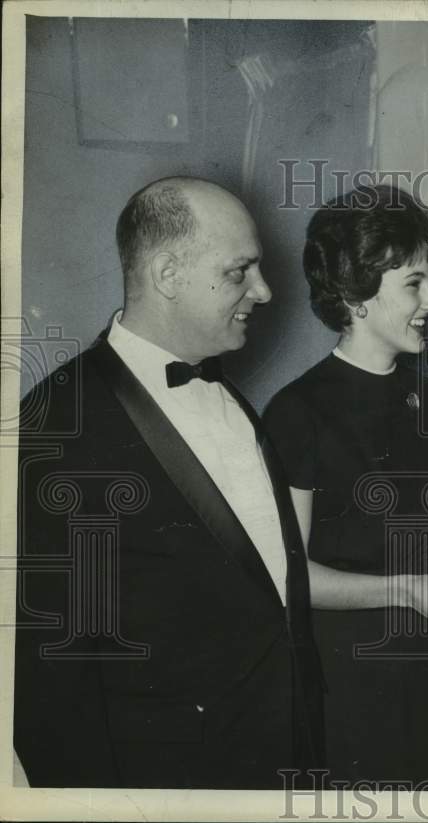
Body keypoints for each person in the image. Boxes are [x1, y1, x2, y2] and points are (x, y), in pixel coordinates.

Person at [14, 177, 324, 788]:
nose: (264, 292)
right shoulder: (56, 424)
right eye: (241, 271)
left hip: (286, 767)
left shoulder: (231, 398)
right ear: (167, 274)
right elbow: (46, 681)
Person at [262, 185, 428, 788]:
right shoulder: (297, 412)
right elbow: (291, 576)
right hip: (350, 687)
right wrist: (407, 589)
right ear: (355, 294)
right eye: (415, 283)